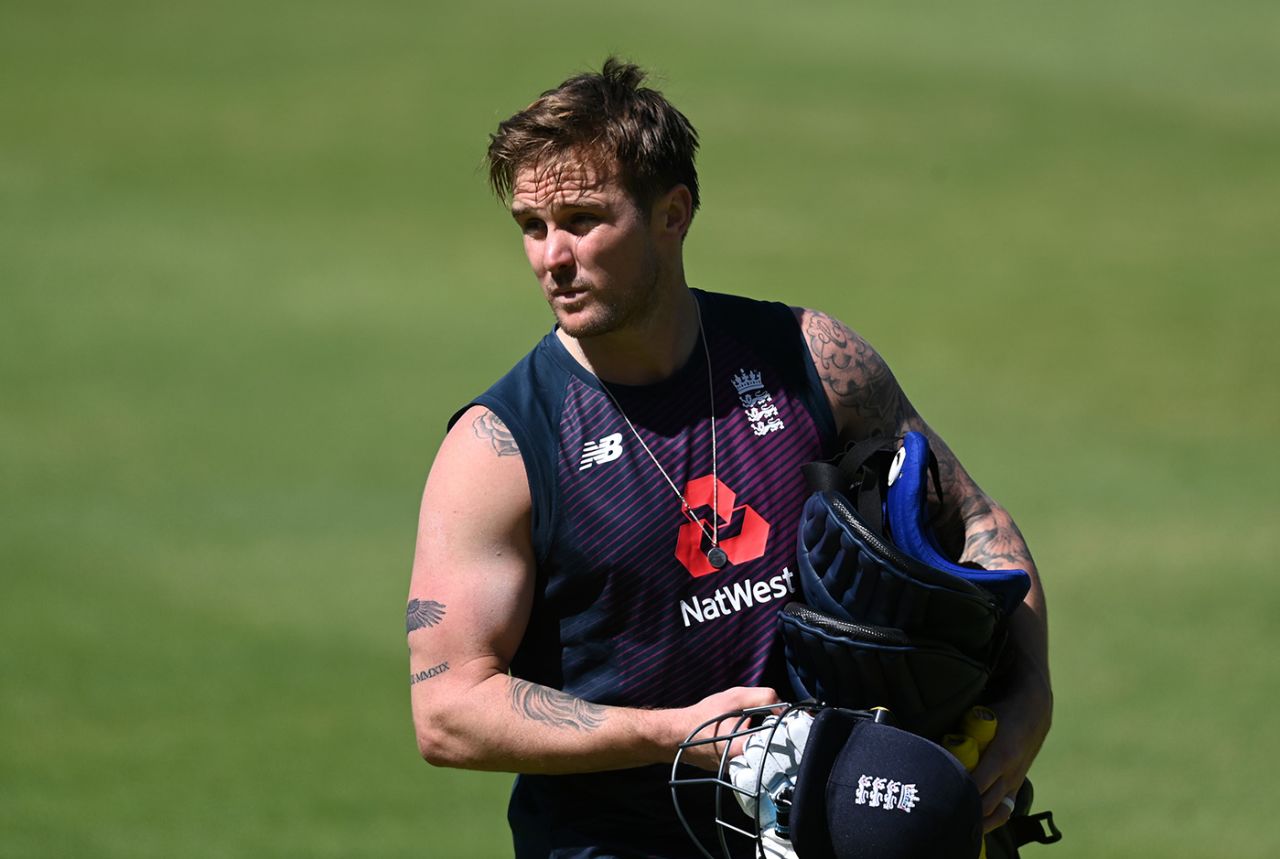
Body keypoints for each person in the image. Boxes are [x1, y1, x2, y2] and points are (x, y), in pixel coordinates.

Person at [407, 58, 1052, 858]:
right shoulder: (499, 447)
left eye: (583, 219)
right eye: (533, 227)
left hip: (828, 831)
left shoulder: (809, 358)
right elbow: (448, 709)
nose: (552, 257)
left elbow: (978, 521)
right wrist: (676, 734)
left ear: (672, 213)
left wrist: (1030, 697)